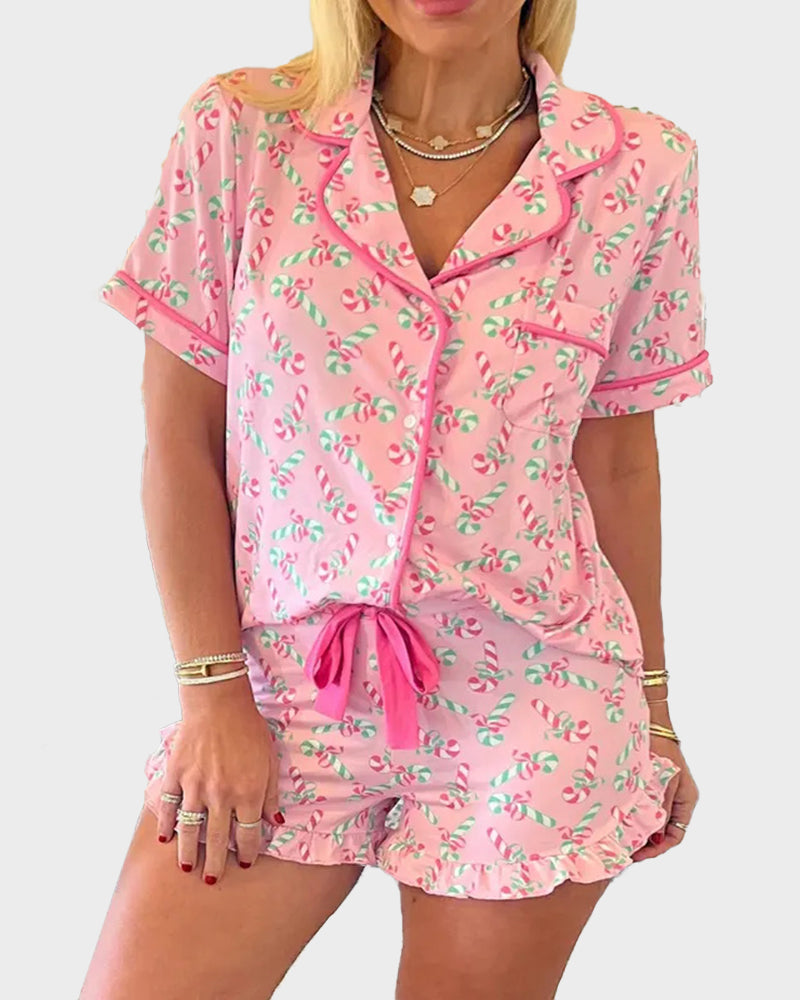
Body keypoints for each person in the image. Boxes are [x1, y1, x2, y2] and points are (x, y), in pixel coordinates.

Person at [83, 0, 711, 996]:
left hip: (535, 703)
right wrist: (210, 695)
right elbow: (178, 439)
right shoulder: (242, 131)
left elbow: (620, 462)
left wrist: (655, 709)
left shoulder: (640, 168)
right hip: (282, 687)